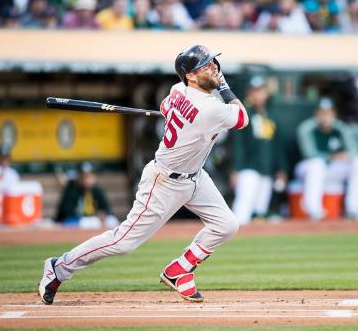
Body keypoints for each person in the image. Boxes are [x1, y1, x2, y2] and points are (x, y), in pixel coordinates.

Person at [39, 45, 249, 305]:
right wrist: (224, 86)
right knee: (123, 242)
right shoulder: (211, 108)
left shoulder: (177, 89)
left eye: (213, 63)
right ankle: (59, 266)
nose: (214, 68)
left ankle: (179, 270)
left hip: (195, 176)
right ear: (191, 76)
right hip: (164, 182)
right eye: (205, 65)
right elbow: (242, 118)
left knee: (227, 224)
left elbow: (166, 105)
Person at [295, 97, 358, 222]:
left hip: (331, 169)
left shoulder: (340, 128)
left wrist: (345, 156)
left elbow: (355, 152)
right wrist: (332, 157)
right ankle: (314, 210)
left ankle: (354, 209)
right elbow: (309, 154)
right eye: (322, 113)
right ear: (317, 114)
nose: (325, 117)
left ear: (334, 114)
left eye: (328, 113)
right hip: (306, 170)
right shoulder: (307, 128)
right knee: (317, 164)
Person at [231, 76, 287, 225]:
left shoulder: (271, 115)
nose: (258, 95)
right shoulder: (244, 113)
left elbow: (277, 145)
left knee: (260, 212)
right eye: (255, 91)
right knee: (242, 211)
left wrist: (281, 169)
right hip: (248, 168)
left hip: (267, 170)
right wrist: (236, 169)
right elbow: (238, 144)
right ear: (249, 93)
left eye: (261, 91)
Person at [55, 162, 119, 229]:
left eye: (89, 177)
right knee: (90, 223)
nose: (87, 180)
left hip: (94, 219)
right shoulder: (71, 189)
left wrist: (103, 214)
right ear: (79, 177)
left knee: (112, 220)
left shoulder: (97, 190)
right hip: (77, 220)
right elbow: (67, 212)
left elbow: (105, 208)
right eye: (84, 177)